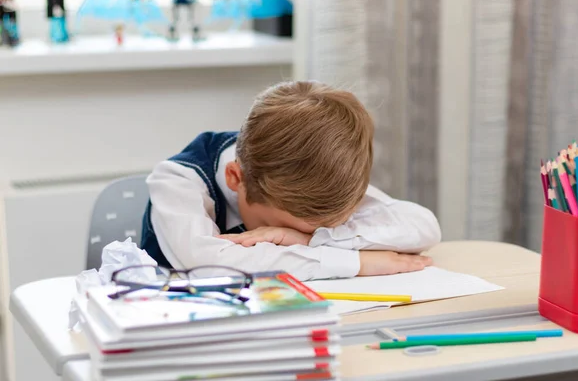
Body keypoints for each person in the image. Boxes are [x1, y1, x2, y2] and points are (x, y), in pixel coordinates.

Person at [141, 81, 441, 281]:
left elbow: (422, 226)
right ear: (236, 178)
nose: (284, 234)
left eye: (329, 227)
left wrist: (310, 239)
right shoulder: (180, 180)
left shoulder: (320, 175)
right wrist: (357, 263)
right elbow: (209, 265)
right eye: (289, 227)